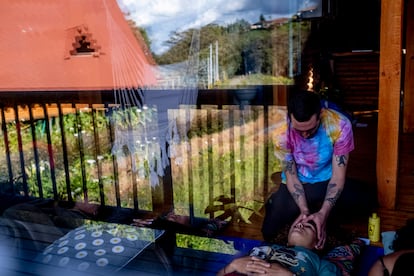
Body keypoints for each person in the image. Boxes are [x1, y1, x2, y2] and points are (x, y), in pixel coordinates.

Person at [262, 89, 374, 248]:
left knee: (368, 201)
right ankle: (313, 212)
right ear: (290, 117)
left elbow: (337, 177)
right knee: (269, 231)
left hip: (327, 181)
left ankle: (320, 213)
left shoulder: (340, 124)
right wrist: (304, 210)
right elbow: (291, 177)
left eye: (310, 129)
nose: (305, 135)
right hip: (298, 185)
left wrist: (323, 213)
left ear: (321, 113)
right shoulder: (281, 132)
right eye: (299, 130)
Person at [217, 219, 363, 276]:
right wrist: (232, 265)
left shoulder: (320, 263)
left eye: (308, 226)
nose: (300, 225)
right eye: (297, 224)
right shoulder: (266, 247)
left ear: (318, 242)